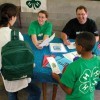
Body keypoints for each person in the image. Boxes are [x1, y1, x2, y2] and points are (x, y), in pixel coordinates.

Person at [0, 3, 41, 100]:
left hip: (6, 73)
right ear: (12, 17)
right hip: (18, 72)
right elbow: (23, 56)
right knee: (36, 92)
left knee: (12, 92)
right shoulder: (15, 34)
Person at [52, 32, 100, 100]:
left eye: (75, 44)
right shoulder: (98, 60)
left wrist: (58, 79)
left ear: (80, 48)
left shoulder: (72, 67)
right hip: (90, 97)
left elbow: (68, 91)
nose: (75, 46)